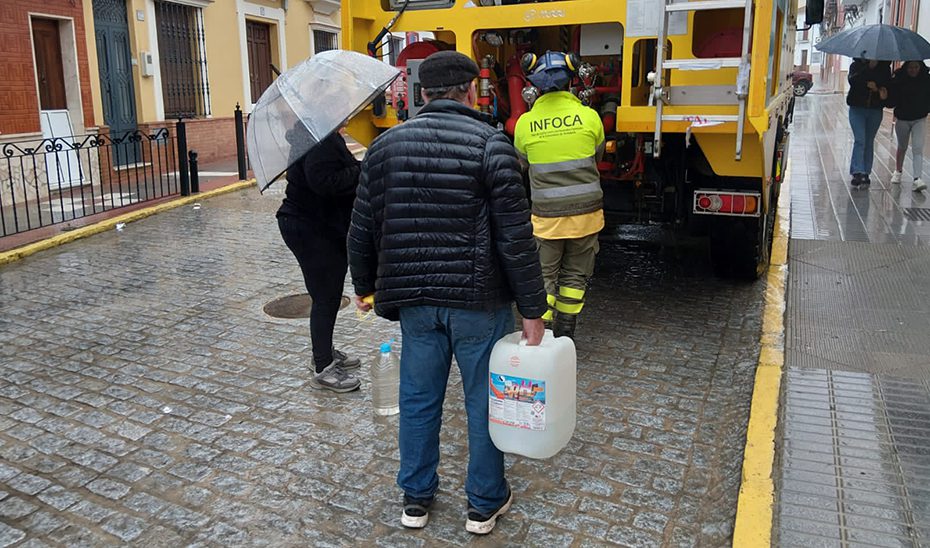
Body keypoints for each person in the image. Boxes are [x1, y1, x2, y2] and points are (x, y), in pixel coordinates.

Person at [348, 51, 547, 535]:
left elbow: (361, 229)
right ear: (471, 92)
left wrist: (365, 286)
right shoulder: (492, 145)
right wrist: (533, 310)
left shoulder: (383, 147)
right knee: (485, 402)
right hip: (479, 303)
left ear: (422, 94)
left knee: (418, 400)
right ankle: (483, 503)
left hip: (416, 302)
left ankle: (415, 499)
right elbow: (515, 237)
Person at [513, 51, 606, 340]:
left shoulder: (525, 125)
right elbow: (596, 156)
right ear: (571, 84)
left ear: (537, 88)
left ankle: (544, 333)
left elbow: (522, 164)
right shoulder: (590, 118)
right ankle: (567, 331)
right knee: (575, 278)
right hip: (587, 217)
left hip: (547, 219)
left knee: (544, 277)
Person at [277, 130, 362, 393]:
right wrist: (362, 170)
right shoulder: (318, 139)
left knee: (328, 294)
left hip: (316, 225)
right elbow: (323, 181)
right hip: (310, 227)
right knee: (326, 296)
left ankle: (323, 352)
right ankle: (323, 368)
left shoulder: (318, 136)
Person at [846, 58, 891, 188]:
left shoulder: (884, 68)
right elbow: (852, 80)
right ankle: (856, 171)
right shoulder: (856, 66)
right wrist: (868, 68)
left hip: (875, 109)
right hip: (857, 108)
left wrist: (877, 88)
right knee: (860, 139)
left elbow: (887, 85)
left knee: (869, 140)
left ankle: (866, 171)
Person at [888, 60, 930, 192]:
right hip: (902, 118)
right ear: (906, 68)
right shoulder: (899, 79)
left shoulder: (926, 79)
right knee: (902, 146)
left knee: (917, 147)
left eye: (916, 67)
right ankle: (898, 171)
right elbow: (892, 98)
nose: (913, 70)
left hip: (920, 118)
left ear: (920, 67)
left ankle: (917, 178)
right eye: (911, 67)